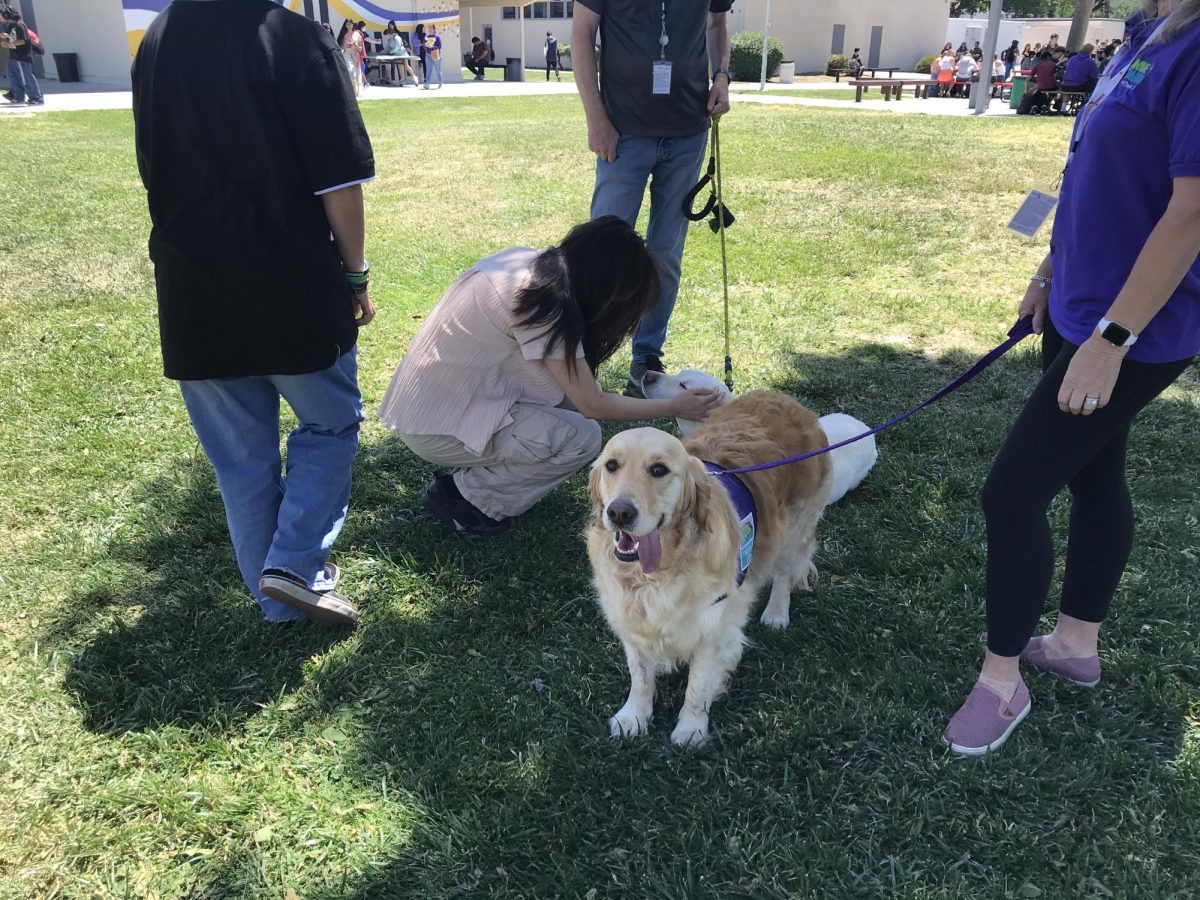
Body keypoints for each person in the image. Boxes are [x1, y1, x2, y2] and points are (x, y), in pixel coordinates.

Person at [943, 0, 1200, 757]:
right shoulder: (1146, 33)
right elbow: (1092, 166)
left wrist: (1112, 339)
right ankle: (1076, 645)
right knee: (1093, 476)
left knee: (1012, 492)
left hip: (1132, 328)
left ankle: (1001, 683)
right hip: (1077, 303)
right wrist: (1048, 268)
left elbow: (1191, 213)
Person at [132, 0, 376, 627]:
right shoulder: (296, 40)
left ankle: (280, 600)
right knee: (331, 424)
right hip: (290, 288)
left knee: (241, 458)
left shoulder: (156, 40)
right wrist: (356, 273)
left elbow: (151, 170)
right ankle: (293, 565)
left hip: (192, 292)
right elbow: (339, 182)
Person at [379, 217, 723, 536]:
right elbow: (594, 405)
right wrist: (674, 406)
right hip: (436, 427)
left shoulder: (531, 266)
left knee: (572, 405)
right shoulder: (545, 305)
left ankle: (481, 475)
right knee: (580, 438)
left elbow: (581, 392)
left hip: (428, 405)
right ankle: (469, 499)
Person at [572, 0, 733, 396]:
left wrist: (723, 76)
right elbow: (580, 35)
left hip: (687, 132)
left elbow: (716, 24)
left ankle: (646, 358)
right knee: (603, 251)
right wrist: (596, 118)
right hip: (622, 132)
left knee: (665, 252)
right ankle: (582, 356)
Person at [0, 5, 42, 107]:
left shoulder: (20, 25)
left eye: (0, 15)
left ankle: (36, 98)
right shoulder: (12, 25)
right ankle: (18, 97)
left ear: (7, 15)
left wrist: (8, 44)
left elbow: (23, 40)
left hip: (23, 55)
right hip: (14, 55)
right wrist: (8, 36)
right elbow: (16, 37)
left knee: (28, 77)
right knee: (13, 76)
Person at [336, 18, 364, 96]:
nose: (349, 26)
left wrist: (355, 45)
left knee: (357, 72)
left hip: (355, 55)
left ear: (352, 25)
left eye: (350, 24)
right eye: (347, 24)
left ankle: (357, 92)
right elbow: (341, 47)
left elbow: (361, 48)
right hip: (346, 55)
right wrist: (345, 47)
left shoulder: (357, 35)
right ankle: (351, 91)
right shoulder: (344, 35)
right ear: (345, 25)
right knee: (351, 71)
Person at [421, 24, 442, 89]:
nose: (429, 29)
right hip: (428, 55)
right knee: (428, 70)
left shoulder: (437, 37)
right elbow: (424, 45)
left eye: (430, 28)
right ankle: (427, 84)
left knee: (438, 70)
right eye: (428, 28)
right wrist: (426, 45)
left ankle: (440, 82)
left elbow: (439, 46)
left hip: (436, 54)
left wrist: (433, 46)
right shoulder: (426, 36)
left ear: (434, 29)